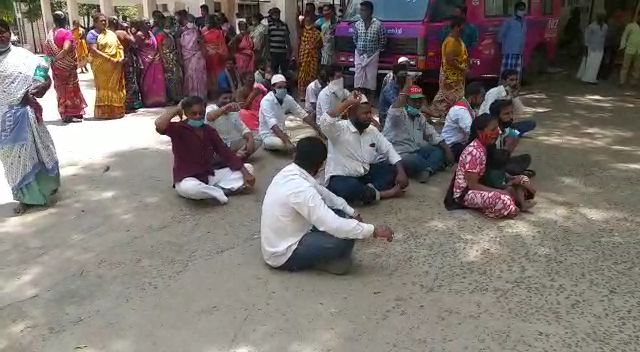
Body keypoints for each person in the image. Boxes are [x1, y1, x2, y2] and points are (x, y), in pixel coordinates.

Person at [261, 137, 394, 275]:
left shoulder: (290, 172)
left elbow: (324, 194)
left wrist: (352, 212)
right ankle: (326, 261)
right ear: (320, 165)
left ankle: (328, 257)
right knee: (344, 238)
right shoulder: (302, 189)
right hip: (283, 253)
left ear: (296, 155)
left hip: (288, 236)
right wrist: (373, 230)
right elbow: (333, 225)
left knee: (344, 216)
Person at [0, 19, 61, 215]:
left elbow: (43, 72)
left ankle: (45, 189)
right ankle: (24, 197)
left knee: (40, 151)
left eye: (3, 31)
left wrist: (43, 85)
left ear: (10, 32)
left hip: (26, 113)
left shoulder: (23, 55)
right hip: (4, 119)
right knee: (12, 159)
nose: (1, 36)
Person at [155, 96, 255, 204]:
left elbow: (226, 153)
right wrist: (176, 109)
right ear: (186, 113)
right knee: (191, 188)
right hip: (187, 178)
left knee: (248, 168)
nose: (198, 116)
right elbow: (159, 125)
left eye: (201, 113)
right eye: (194, 113)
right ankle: (219, 192)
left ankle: (213, 192)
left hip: (208, 176)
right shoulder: (179, 128)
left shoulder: (209, 130)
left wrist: (246, 173)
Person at [321, 91, 408, 204]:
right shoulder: (338, 129)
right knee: (349, 188)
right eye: (365, 113)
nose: (369, 117)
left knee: (392, 170)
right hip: (342, 177)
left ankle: (366, 193)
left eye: (370, 113)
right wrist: (348, 102)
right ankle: (384, 194)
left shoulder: (372, 130)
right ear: (351, 114)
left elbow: (388, 149)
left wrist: (401, 171)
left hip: (365, 174)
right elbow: (325, 121)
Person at [444, 113, 525, 218]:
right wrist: (499, 191)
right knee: (502, 199)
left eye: (497, 128)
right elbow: (473, 185)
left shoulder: (485, 146)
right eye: (493, 129)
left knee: (519, 183)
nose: (498, 132)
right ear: (480, 132)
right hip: (466, 194)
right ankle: (503, 205)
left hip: (479, 187)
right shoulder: (473, 151)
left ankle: (508, 202)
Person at [383, 82, 453, 183]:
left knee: (438, 151)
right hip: (399, 154)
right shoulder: (397, 115)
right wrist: (407, 85)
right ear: (406, 101)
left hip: (415, 151)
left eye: (419, 101)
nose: (417, 104)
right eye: (414, 101)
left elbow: (432, 134)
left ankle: (427, 170)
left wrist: (447, 149)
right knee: (413, 160)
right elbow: (396, 106)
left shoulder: (420, 117)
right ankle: (429, 167)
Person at [44, 11, 87, 123]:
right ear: (65, 20)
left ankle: (64, 113)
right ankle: (72, 113)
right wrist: (58, 58)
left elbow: (47, 53)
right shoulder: (66, 33)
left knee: (60, 89)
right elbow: (66, 48)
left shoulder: (50, 34)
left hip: (56, 68)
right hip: (67, 67)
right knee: (71, 89)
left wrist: (53, 60)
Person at [259, 74, 322, 152]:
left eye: (284, 87)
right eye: (279, 87)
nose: (283, 89)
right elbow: (273, 125)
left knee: (313, 133)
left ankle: (290, 143)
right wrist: (287, 142)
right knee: (280, 144)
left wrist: (318, 129)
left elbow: (302, 113)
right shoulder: (266, 101)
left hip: (284, 130)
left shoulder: (287, 98)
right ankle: (271, 143)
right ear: (272, 88)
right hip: (269, 134)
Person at [86, 13, 126, 119]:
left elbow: (119, 46)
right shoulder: (92, 34)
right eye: (101, 21)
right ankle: (104, 112)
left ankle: (116, 111)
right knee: (104, 88)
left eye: (105, 20)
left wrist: (121, 57)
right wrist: (110, 59)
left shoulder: (111, 34)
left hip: (115, 65)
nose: (104, 22)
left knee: (114, 88)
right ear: (95, 23)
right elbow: (94, 50)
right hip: (101, 67)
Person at [429, 17, 468, 118]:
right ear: (456, 27)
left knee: (449, 98)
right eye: (462, 27)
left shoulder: (458, 40)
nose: (463, 29)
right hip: (450, 77)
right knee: (447, 97)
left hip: (456, 77)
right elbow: (450, 60)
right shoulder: (451, 42)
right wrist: (463, 69)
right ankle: (436, 114)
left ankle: (446, 115)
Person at [478, 69, 535, 136]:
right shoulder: (494, 92)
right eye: (511, 80)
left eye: (516, 80)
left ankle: (508, 133)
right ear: (503, 81)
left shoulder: (511, 94)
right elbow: (487, 112)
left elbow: (519, 112)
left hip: (504, 124)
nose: (515, 83)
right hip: (489, 124)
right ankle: (509, 134)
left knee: (531, 123)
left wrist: (515, 96)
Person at [206, 90, 259, 161]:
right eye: (225, 98)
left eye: (230, 98)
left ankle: (237, 157)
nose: (228, 100)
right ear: (217, 99)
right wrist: (224, 109)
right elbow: (209, 117)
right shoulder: (211, 108)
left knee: (258, 138)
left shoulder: (233, 110)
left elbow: (242, 127)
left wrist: (250, 139)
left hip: (233, 143)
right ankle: (234, 157)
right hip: (220, 147)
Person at [442, 81, 485, 160]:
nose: (483, 100)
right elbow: (472, 131)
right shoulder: (461, 110)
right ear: (473, 98)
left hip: (460, 143)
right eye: (481, 97)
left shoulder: (469, 107)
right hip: (452, 147)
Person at [352, 1, 386, 101]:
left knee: (371, 79)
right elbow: (355, 39)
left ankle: (370, 102)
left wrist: (375, 52)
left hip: (372, 55)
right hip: (359, 54)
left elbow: (383, 41)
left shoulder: (378, 25)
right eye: (360, 10)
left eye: (363, 10)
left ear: (370, 11)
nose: (361, 13)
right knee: (358, 78)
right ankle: (359, 100)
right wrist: (360, 51)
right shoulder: (357, 24)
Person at [490, 99, 533, 177]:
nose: (511, 116)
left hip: (502, 160)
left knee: (526, 158)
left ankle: (509, 170)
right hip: (492, 165)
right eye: (506, 114)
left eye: (511, 113)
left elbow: (515, 136)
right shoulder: (491, 133)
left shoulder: (505, 127)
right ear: (496, 116)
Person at [132, 20, 167, 108]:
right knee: (148, 81)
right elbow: (136, 49)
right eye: (146, 23)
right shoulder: (139, 35)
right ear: (141, 24)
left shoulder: (150, 33)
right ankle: (149, 101)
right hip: (145, 61)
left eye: (149, 23)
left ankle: (160, 100)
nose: (148, 24)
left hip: (156, 60)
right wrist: (139, 61)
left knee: (159, 80)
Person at [111, 19, 143, 113]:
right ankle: (128, 104)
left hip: (115, 59)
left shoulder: (110, 34)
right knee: (129, 81)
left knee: (120, 81)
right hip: (126, 58)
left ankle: (119, 102)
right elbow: (134, 42)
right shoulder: (122, 33)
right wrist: (128, 31)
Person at [176, 10, 207, 100]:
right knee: (189, 76)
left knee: (199, 76)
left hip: (198, 56)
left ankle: (200, 95)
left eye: (193, 21)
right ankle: (191, 95)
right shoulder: (180, 32)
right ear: (185, 20)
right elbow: (178, 47)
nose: (191, 23)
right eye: (190, 21)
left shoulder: (197, 31)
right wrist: (180, 58)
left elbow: (201, 43)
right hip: (187, 57)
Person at [155, 14, 184, 105]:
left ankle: (177, 97)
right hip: (166, 59)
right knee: (169, 79)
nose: (168, 27)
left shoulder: (171, 35)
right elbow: (160, 50)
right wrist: (164, 61)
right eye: (167, 26)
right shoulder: (160, 35)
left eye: (170, 26)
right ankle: (170, 98)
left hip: (174, 59)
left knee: (177, 78)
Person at [498, 2, 527, 79]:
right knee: (506, 72)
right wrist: (504, 47)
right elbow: (500, 35)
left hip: (519, 52)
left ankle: (514, 89)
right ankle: (503, 88)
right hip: (509, 52)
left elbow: (523, 36)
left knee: (516, 73)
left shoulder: (524, 22)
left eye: (523, 9)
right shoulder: (509, 21)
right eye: (520, 9)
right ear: (516, 10)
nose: (522, 11)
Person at [202, 15, 229, 95]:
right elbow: (222, 47)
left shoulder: (206, 32)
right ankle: (214, 92)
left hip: (212, 56)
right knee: (213, 74)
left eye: (208, 22)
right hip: (212, 56)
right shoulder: (217, 32)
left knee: (214, 74)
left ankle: (215, 92)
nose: (207, 24)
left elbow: (222, 45)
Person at [297, 13, 323, 97]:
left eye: (309, 20)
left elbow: (321, 44)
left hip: (313, 56)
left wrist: (314, 46)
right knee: (302, 74)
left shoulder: (317, 33)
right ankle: (302, 93)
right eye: (306, 21)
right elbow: (298, 43)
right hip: (303, 56)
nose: (307, 22)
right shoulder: (302, 31)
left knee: (313, 74)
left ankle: (311, 93)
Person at [577, 14, 608, 84]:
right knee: (590, 63)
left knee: (596, 64)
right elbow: (586, 37)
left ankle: (592, 78)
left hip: (600, 48)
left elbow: (604, 37)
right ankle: (587, 78)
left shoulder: (605, 26)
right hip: (592, 48)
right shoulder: (591, 26)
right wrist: (585, 46)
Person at [267, 8, 292, 75]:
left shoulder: (284, 25)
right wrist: (268, 53)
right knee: (273, 71)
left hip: (283, 53)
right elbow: (267, 40)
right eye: (274, 13)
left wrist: (289, 51)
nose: (276, 15)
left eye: (277, 13)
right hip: (273, 53)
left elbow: (287, 39)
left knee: (284, 71)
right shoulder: (269, 25)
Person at [619, 17, 640, 86]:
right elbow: (624, 36)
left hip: (639, 51)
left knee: (637, 67)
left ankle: (633, 82)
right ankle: (622, 81)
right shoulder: (631, 26)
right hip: (629, 49)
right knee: (625, 66)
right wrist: (622, 46)